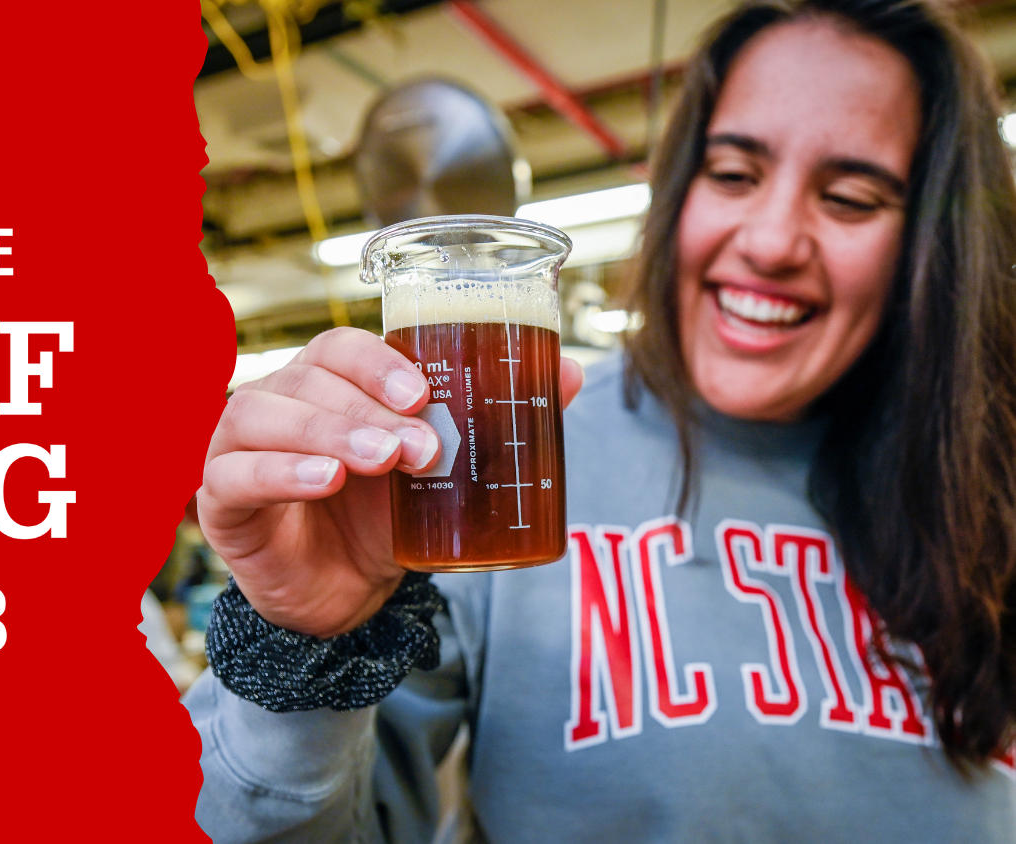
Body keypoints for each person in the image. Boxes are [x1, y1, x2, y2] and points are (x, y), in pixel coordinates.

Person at [185, 0, 1016, 840]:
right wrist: (294, 654)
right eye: (732, 174)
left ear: (929, 246)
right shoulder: (482, 470)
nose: (771, 241)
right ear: (677, 195)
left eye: (849, 196)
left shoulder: (990, 491)